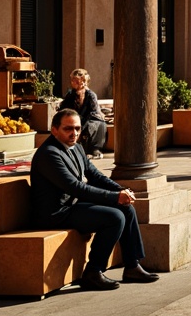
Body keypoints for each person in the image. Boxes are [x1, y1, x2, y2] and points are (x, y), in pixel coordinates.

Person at [30, 109, 159, 290]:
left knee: (126, 208)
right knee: (114, 217)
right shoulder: (49, 154)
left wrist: (121, 191)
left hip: (73, 205)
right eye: (68, 129)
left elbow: (95, 176)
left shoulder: (76, 147)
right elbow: (75, 187)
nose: (74, 133)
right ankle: (93, 272)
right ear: (54, 130)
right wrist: (115, 197)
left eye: (77, 128)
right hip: (55, 213)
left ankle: (132, 265)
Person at [60, 68, 107, 157]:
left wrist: (82, 122)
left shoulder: (90, 95)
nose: (73, 83)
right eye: (72, 80)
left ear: (83, 82)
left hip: (91, 119)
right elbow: (64, 108)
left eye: (76, 81)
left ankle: (93, 149)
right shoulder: (70, 95)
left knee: (94, 125)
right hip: (75, 119)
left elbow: (93, 112)